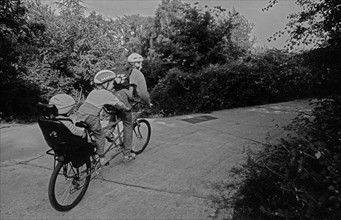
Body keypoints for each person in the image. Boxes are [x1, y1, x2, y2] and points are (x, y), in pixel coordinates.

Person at [76, 70, 131, 166]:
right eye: (112, 83)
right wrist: (126, 108)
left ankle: (90, 151)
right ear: (106, 84)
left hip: (80, 114)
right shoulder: (107, 94)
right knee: (100, 136)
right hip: (91, 116)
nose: (113, 85)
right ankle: (102, 158)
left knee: (89, 133)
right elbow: (119, 104)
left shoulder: (93, 91)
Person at [110, 52, 151, 161]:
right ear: (138, 64)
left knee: (115, 111)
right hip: (123, 99)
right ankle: (127, 155)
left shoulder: (120, 70)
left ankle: (109, 131)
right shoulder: (136, 73)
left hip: (109, 97)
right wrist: (148, 103)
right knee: (128, 123)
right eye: (140, 63)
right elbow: (143, 93)